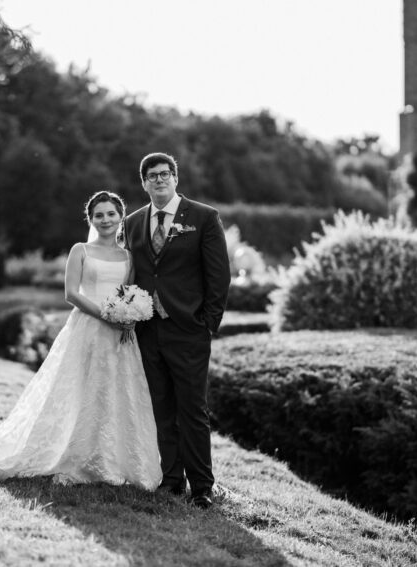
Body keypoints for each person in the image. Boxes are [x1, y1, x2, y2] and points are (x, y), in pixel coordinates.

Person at [0, 191, 161, 490]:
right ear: (91, 219)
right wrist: (105, 315)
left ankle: (112, 458)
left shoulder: (128, 256)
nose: (105, 220)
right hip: (87, 328)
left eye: (111, 214)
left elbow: (126, 291)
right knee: (81, 390)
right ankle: (75, 456)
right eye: (99, 215)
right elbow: (71, 294)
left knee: (114, 391)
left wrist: (128, 314)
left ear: (121, 217)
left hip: (120, 334)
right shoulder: (81, 250)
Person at [122, 152, 230, 508]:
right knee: (161, 407)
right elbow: (133, 272)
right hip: (148, 331)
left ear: (175, 178)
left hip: (188, 329)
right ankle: (171, 480)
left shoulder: (203, 217)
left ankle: (201, 486)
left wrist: (207, 325)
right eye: (151, 175)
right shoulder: (135, 222)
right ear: (143, 182)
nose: (159, 180)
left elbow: (219, 276)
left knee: (193, 409)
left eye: (165, 174)